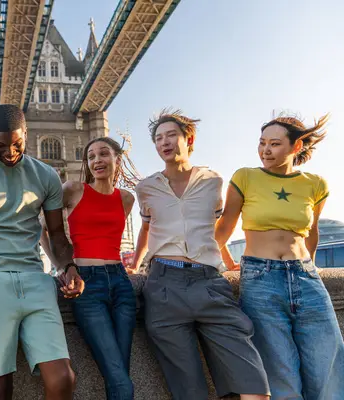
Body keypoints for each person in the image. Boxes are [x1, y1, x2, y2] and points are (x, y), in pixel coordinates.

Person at [0, 104, 84, 400]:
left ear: (26, 134)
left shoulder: (46, 176)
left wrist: (69, 267)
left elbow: (57, 235)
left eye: (17, 144)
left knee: (63, 379)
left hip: (37, 281)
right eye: (1, 145)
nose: (9, 152)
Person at [130, 109, 270, 400]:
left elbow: (218, 227)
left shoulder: (213, 181)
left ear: (188, 138)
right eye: (158, 138)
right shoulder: (145, 188)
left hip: (211, 284)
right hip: (164, 286)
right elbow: (146, 227)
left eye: (171, 135)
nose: (164, 142)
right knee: (189, 391)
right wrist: (136, 260)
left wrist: (227, 259)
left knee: (254, 386)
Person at [215, 113, 344, 399]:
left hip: (306, 276)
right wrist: (222, 261)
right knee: (279, 370)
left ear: (296, 147)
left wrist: (310, 266)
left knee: (328, 360)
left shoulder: (315, 184)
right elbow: (224, 226)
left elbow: (311, 232)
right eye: (261, 143)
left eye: (274, 144)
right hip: (260, 279)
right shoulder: (245, 177)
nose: (265, 150)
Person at [41, 136, 140, 399]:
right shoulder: (73, 189)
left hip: (121, 283)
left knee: (120, 373)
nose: (97, 160)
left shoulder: (127, 198)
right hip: (87, 285)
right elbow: (43, 227)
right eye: (91, 156)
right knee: (120, 379)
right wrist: (62, 266)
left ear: (117, 160)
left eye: (104, 154)